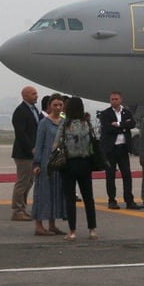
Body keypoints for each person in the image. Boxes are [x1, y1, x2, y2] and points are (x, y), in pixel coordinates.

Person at [56, 97, 98, 241]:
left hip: (69, 164)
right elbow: (94, 140)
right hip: (85, 163)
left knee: (70, 198)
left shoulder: (64, 124)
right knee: (88, 197)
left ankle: (72, 231)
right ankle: (92, 229)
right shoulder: (87, 124)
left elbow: (56, 144)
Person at [31, 93, 66, 236]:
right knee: (43, 193)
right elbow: (39, 144)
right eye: (55, 105)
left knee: (55, 193)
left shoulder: (64, 121)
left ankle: (52, 224)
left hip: (60, 163)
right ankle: (38, 225)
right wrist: (37, 163)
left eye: (60, 105)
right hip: (46, 162)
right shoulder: (44, 123)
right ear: (49, 106)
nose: (58, 108)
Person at [98, 91, 140, 210]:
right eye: (112, 99)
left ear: (121, 100)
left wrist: (117, 124)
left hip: (123, 149)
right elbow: (107, 128)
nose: (114, 101)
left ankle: (129, 200)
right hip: (111, 149)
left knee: (127, 175)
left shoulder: (127, 112)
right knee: (110, 176)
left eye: (116, 99)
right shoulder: (105, 113)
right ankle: (112, 200)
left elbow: (132, 124)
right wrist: (123, 127)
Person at [10, 85, 41, 221]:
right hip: (23, 153)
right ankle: (17, 210)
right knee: (22, 182)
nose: (36, 96)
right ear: (25, 96)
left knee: (29, 182)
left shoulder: (34, 110)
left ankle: (22, 208)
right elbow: (21, 133)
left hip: (32, 152)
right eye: (33, 94)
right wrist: (31, 148)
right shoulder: (20, 111)